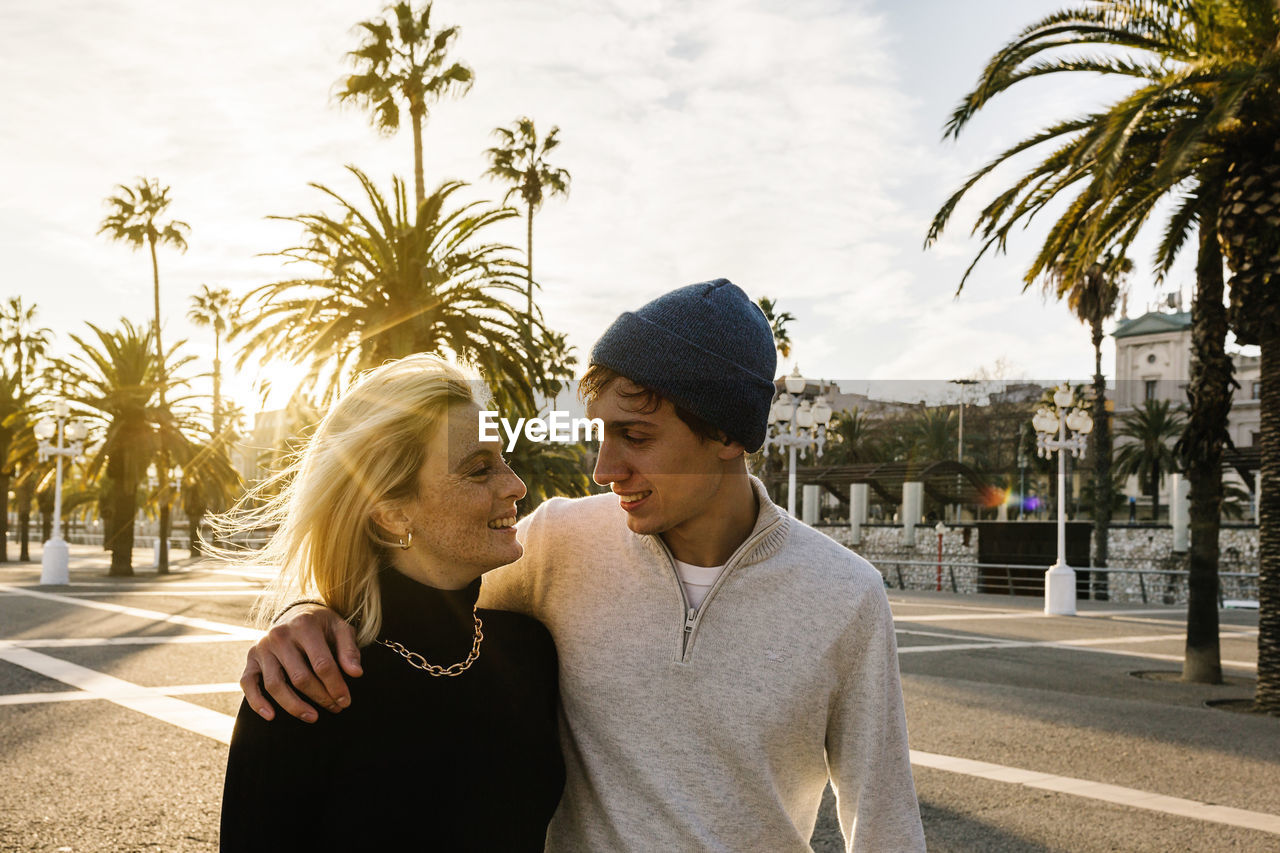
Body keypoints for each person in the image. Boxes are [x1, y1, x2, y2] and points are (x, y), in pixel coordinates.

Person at [243, 280, 926, 851]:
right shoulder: (558, 543)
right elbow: (408, 577)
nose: (604, 468)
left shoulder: (846, 595)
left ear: (728, 435)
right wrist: (304, 610)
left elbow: (886, 823)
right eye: (600, 432)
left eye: (635, 436)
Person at [218, 355, 564, 852]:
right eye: (479, 470)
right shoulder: (307, 683)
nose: (515, 485)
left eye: (504, 460)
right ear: (391, 513)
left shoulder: (530, 650)